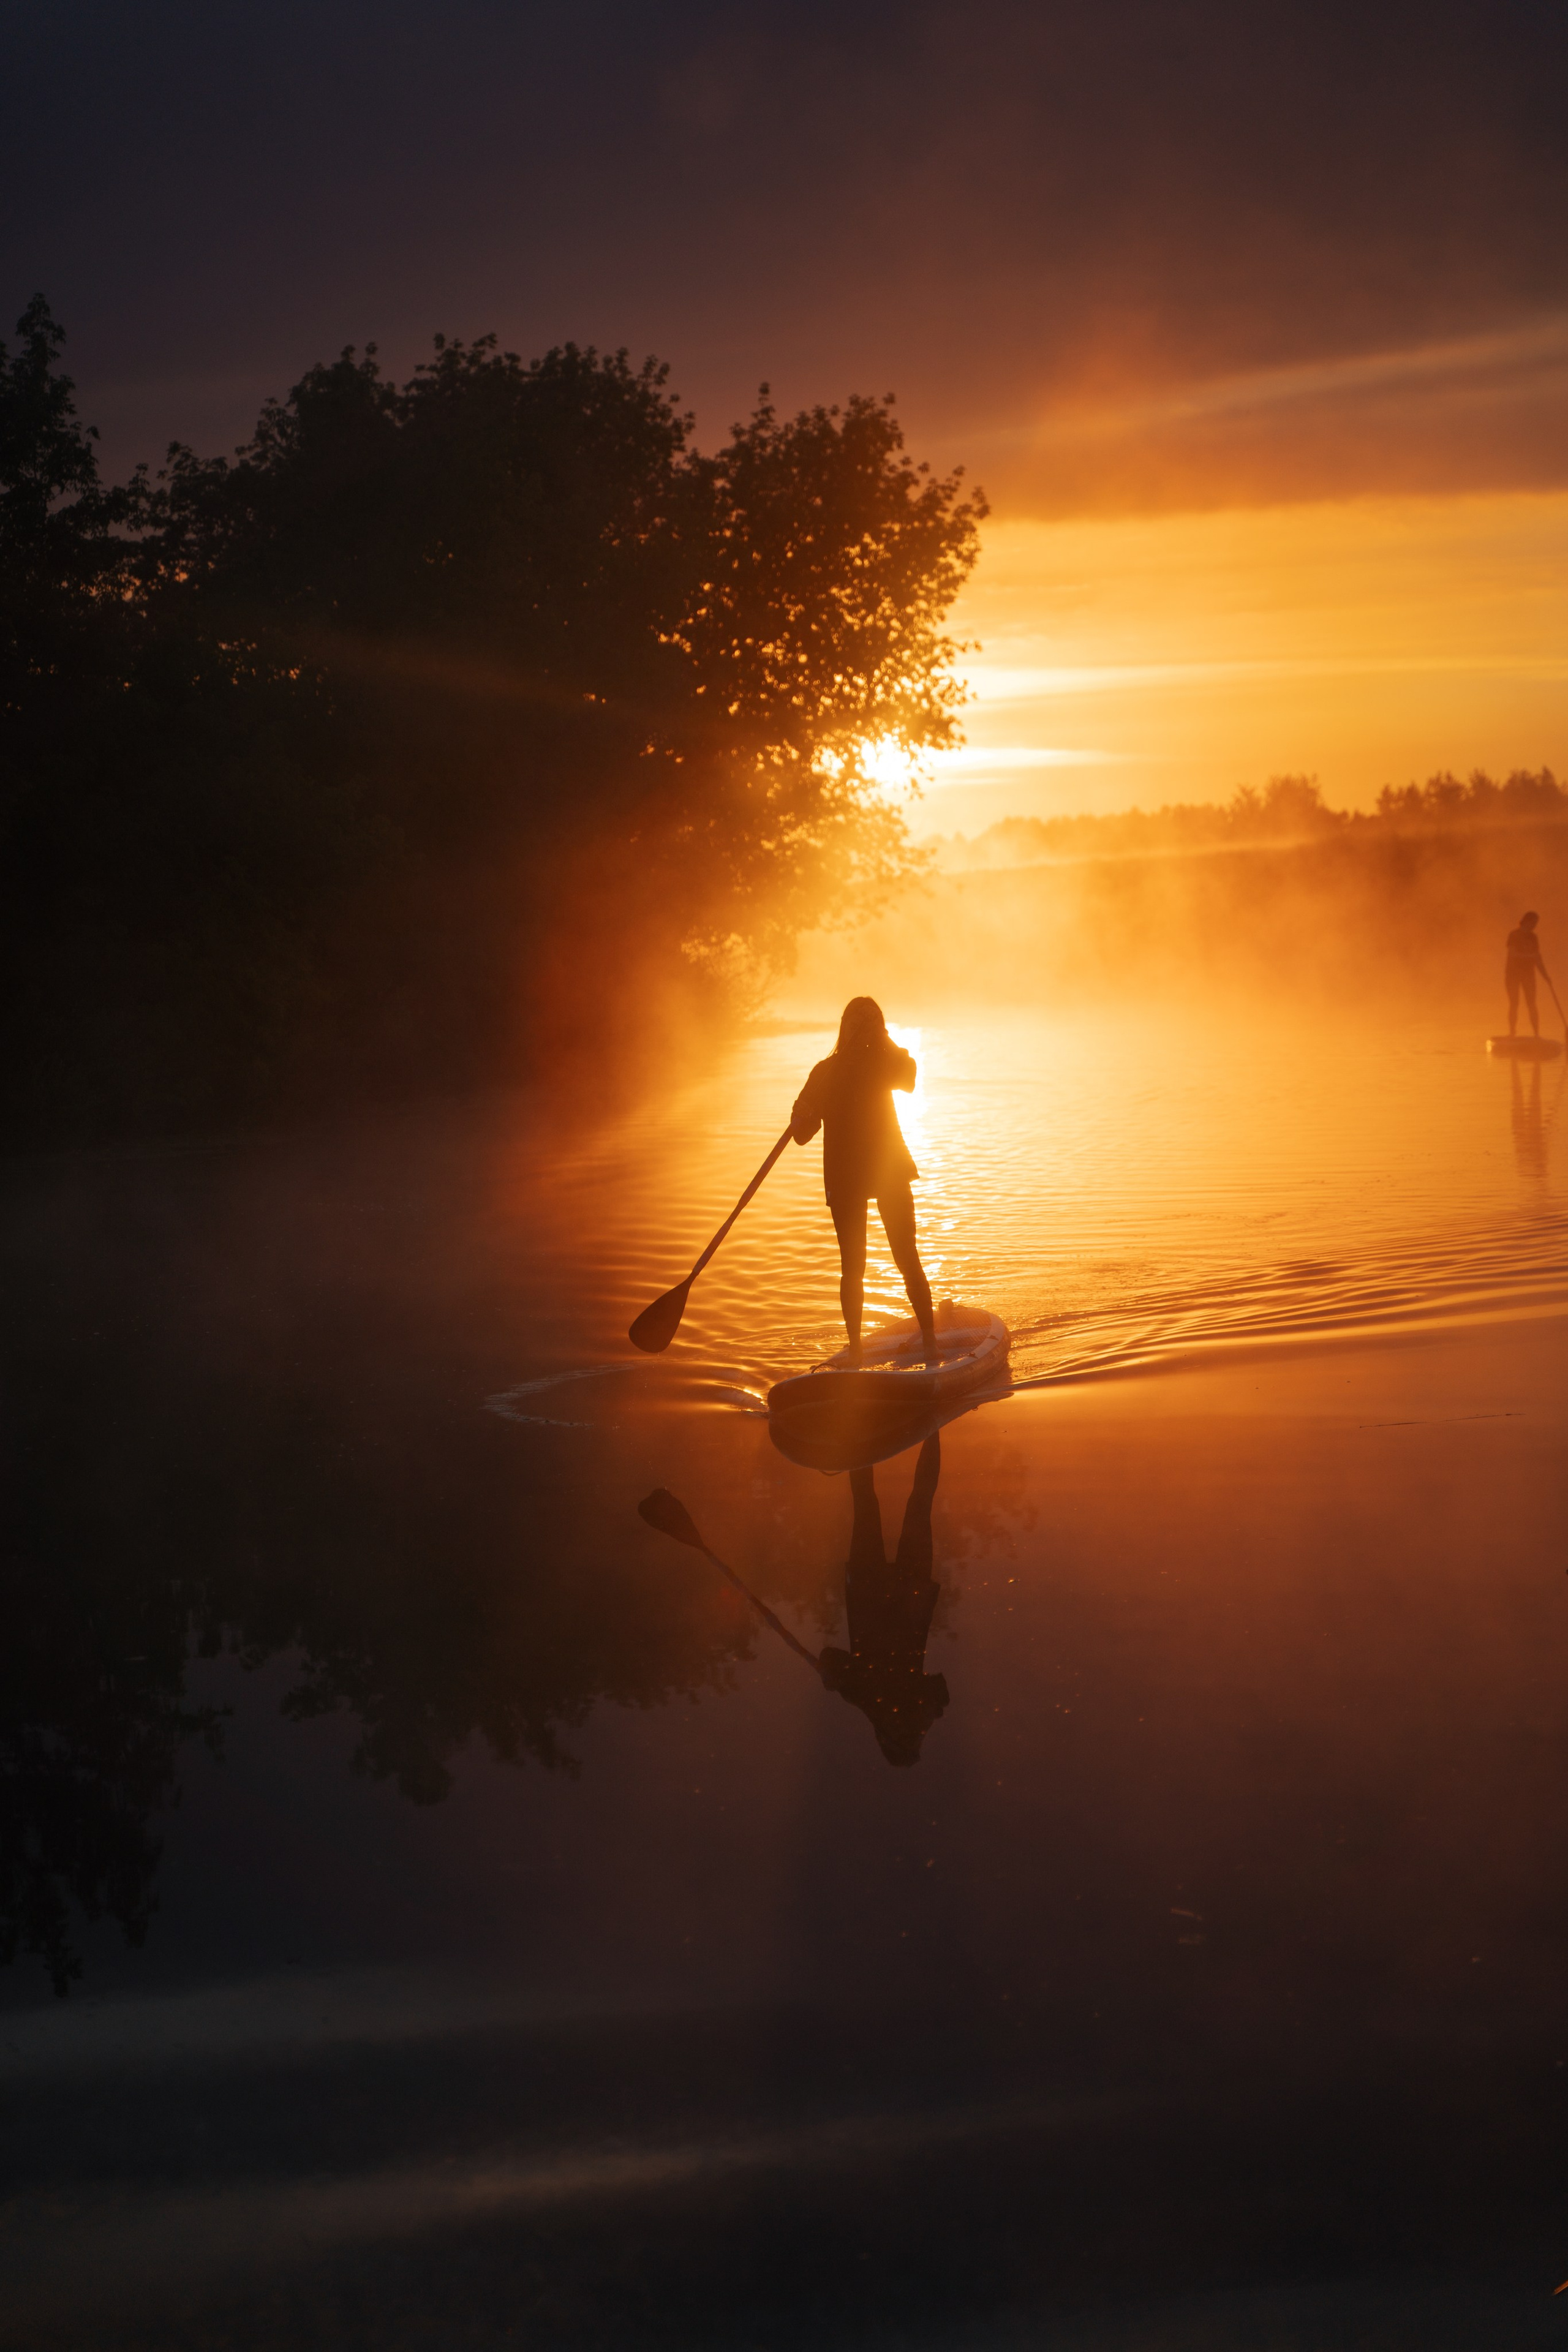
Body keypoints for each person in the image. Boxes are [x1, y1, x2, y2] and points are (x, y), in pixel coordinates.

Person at [791, 997, 937, 1362]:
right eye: (865, 1027)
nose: (867, 1035)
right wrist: (801, 1114)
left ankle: (925, 1342)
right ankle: (860, 1349)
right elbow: (802, 1134)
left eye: (871, 1027)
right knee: (860, 1266)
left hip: (886, 1170)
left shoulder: (871, 1066)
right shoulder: (829, 1073)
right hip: (851, 1177)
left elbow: (909, 1078)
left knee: (901, 1259)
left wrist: (883, 1037)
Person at [818, 1435, 948, 1767]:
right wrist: (835, 1677)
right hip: (895, 1595)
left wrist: (832, 1676)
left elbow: (828, 1656)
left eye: (911, 1740)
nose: (915, 1735)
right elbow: (939, 1689)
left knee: (905, 1503)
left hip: (882, 1592)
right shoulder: (865, 1698)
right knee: (895, 1503)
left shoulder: (862, 1697)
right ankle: (928, 1428)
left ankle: (881, 1430)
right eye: (915, 1740)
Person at [1505, 911, 1550, 1039]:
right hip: (1513, 974)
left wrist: (1546, 976)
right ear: (1526, 921)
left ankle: (1537, 1035)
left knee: (1532, 1004)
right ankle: (1512, 1033)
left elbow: (1538, 958)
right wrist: (1530, 957)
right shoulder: (1514, 935)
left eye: (1536, 923)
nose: (1535, 926)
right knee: (1514, 1003)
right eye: (1533, 923)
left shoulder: (1533, 937)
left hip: (1528, 975)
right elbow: (1512, 954)